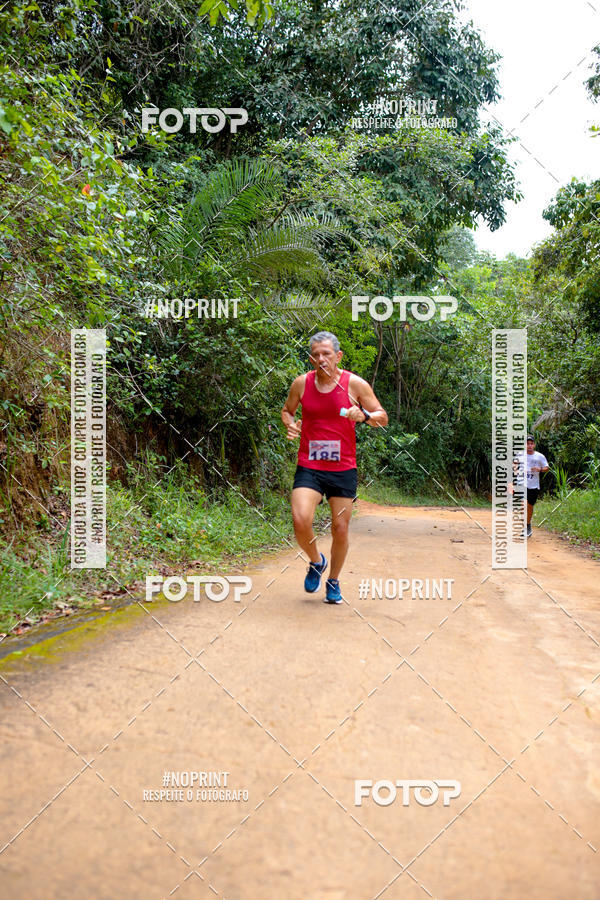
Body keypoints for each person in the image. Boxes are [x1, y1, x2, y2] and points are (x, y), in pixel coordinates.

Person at [281, 331, 388, 603]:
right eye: (316, 354)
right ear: (310, 358)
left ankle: (334, 581)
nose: (321, 359)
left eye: (326, 353)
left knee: (340, 527)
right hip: (310, 464)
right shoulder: (301, 384)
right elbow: (287, 410)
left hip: (342, 467)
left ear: (337, 356)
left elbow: (382, 418)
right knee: (300, 518)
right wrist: (290, 424)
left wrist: (363, 415)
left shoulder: (355, 385)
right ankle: (317, 561)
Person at [515, 435, 549, 537]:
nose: (529, 445)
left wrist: (540, 469)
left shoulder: (540, 456)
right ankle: (525, 528)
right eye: (527, 443)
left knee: (530, 506)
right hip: (522, 483)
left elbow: (546, 467)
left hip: (533, 485)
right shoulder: (520, 455)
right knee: (523, 504)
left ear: (534, 445)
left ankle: (528, 525)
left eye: (531, 443)